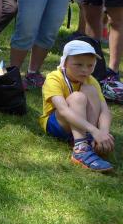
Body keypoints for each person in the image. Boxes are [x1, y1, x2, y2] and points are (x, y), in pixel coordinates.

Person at [40, 40, 114, 172]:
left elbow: (105, 110)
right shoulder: (54, 78)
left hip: (83, 125)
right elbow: (63, 111)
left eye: (90, 65)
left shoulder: (91, 80)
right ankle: (81, 149)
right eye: (78, 65)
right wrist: (94, 130)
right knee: (77, 97)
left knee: (90, 90)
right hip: (57, 125)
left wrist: (103, 132)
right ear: (65, 63)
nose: (85, 70)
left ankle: (89, 141)